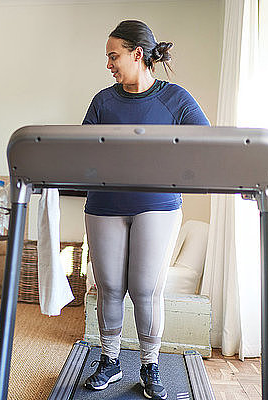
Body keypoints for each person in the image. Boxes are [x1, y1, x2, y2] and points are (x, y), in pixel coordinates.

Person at [82, 20, 209, 400]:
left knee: (145, 289)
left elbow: (205, 146)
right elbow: (84, 152)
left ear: (138, 54)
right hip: (104, 203)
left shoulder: (176, 99)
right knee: (109, 287)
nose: (109, 64)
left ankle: (150, 364)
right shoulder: (103, 101)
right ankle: (110, 359)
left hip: (157, 204)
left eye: (113, 56)